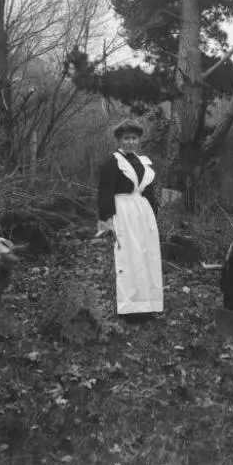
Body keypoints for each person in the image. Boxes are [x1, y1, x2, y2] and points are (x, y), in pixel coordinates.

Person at [98, 119, 163, 323]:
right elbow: (105, 191)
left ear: (139, 140)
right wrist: (106, 219)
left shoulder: (143, 162)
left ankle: (147, 306)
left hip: (142, 214)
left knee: (147, 256)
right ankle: (129, 309)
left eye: (134, 138)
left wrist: (153, 214)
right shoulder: (113, 162)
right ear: (119, 140)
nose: (130, 142)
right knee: (128, 257)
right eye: (126, 138)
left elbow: (149, 192)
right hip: (122, 212)